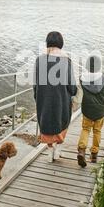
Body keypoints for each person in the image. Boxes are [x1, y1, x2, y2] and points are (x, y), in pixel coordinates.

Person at [33, 31, 77, 162]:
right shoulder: (66, 61)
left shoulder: (39, 60)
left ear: (48, 43)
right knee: (62, 122)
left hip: (44, 99)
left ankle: (50, 151)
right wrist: (73, 92)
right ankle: (58, 150)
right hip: (61, 100)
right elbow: (72, 86)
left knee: (46, 124)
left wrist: (37, 97)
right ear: (61, 44)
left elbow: (35, 84)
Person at [74, 55, 104, 167]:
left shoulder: (82, 79)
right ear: (99, 66)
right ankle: (94, 155)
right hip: (100, 112)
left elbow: (79, 99)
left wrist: (73, 99)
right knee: (97, 131)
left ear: (87, 66)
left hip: (87, 111)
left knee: (85, 129)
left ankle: (81, 151)